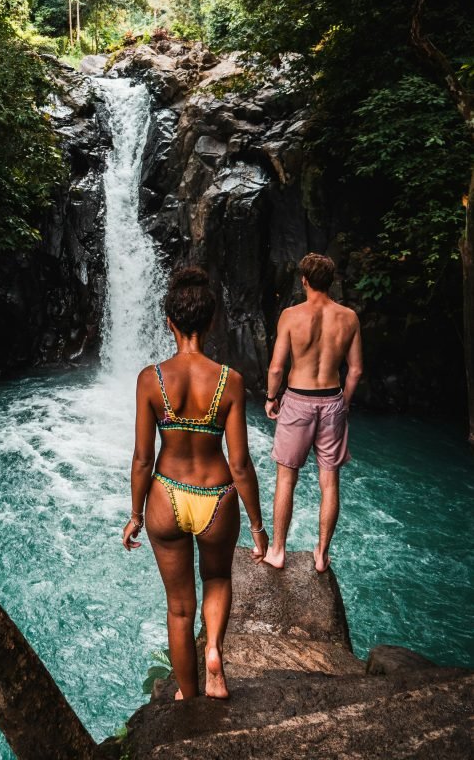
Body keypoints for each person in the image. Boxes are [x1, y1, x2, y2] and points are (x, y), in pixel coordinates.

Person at [122, 267, 268, 701]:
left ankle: (188, 698)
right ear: (210, 322)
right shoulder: (231, 382)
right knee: (218, 578)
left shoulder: (151, 379)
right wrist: (259, 528)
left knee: (179, 609)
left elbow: (143, 458)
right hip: (217, 496)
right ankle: (215, 656)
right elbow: (240, 464)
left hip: (166, 493)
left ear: (169, 321)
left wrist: (134, 514)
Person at [263, 252, 363, 573]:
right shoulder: (348, 317)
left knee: (286, 480)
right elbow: (356, 370)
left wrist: (270, 398)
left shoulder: (291, 316)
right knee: (330, 482)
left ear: (303, 280)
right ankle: (321, 555)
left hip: (297, 400)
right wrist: (344, 402)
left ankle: (278, 551)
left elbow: (277, 367)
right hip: (332, 400)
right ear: (331, 281)